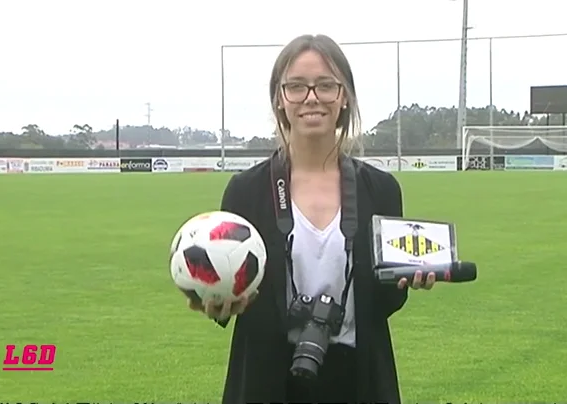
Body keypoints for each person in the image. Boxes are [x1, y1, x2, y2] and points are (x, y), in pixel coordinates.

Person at [185, 34, 437, 404]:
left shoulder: (380, 189)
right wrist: (216, 300)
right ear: (279, 99)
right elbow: (236, 290)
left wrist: (406, 282)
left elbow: (380, 305)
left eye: (325, 86)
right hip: (265, 379)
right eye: (296, 87)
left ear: (344, 96)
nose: (311, 97)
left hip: (360, 380)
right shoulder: (245, 191)